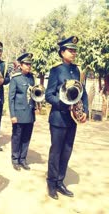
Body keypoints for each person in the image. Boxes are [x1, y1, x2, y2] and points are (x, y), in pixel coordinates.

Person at [45, 36, 88, 200]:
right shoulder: (56, 70)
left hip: (72, 119)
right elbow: (49, 95)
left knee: (67, 151)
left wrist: (85, 111)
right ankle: (51, 183)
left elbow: (82, 92)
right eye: (70, 50)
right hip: (58, 118)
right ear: (62, 52)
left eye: (75, 50)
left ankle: (60, 182)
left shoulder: (77, 70)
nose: (73, 53)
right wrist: (64, 105)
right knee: (56, 152)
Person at [8, 53, 36, 171]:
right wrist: (12, 115)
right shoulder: (15, 78)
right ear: (20, 65)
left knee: (26, 137)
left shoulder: (31, 78)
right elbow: (11, 98)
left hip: (29, 113)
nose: (28, 66)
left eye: (30, 64)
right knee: (17, 137)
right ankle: (15, 159)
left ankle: (23, 159)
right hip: (18, 114)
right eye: (26, 64)